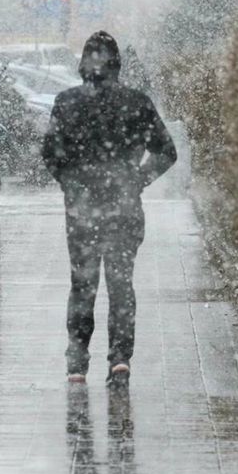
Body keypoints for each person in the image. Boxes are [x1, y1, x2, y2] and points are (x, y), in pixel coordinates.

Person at [41, 31, 177, 388]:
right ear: (118, 64)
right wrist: (137, 179)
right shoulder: (137, 102)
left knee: (82, 285)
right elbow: (167, 151)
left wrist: (72, 182)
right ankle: (119, 359)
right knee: (121, 285)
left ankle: (77, 361)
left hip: (82, 211)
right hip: (124, 208)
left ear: (83, 64)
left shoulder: (66, 102)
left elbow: (50, 154)